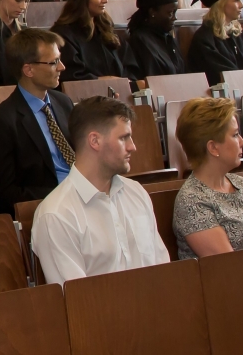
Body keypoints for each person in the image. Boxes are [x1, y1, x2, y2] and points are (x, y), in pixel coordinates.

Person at [31, 94, 165, 286]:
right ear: (94, 141)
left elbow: (163, 268)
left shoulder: (137, 193)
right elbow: (77, 298)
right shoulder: (55, 215)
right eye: (124, 138)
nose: (133, 147)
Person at [0, 28, 79, 217]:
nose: (62, 67)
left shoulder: (63, 102)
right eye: (54, 62)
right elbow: (5, 194)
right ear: (28, 70)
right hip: (47, 210)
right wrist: (64, 194)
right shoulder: (0, 121)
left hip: (83, 198)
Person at [168, 97, 243, 260]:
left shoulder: (240, 183)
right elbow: (227, 265)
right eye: (235, 135)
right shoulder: (192, 201)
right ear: (213, 147)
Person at [51, 0, 128, 81]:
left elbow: (128, 66)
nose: (105, 0)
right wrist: (106, 81)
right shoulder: (63, 35)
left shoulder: (104, 28)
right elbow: (71, 77)